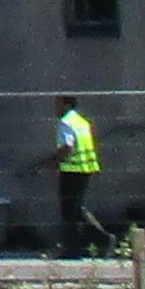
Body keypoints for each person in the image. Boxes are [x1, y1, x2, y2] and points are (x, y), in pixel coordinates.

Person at [55, 103, 101, 258]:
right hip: (85, 168)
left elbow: (68, 146)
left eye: (58, 103)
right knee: (76, 209)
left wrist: (54, 161)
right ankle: (101, 239)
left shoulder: (66, 122)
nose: (56, 107)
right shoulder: (82, 121)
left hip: (71, 170)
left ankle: (73, 249)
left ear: (66, 104)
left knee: (69, 211)